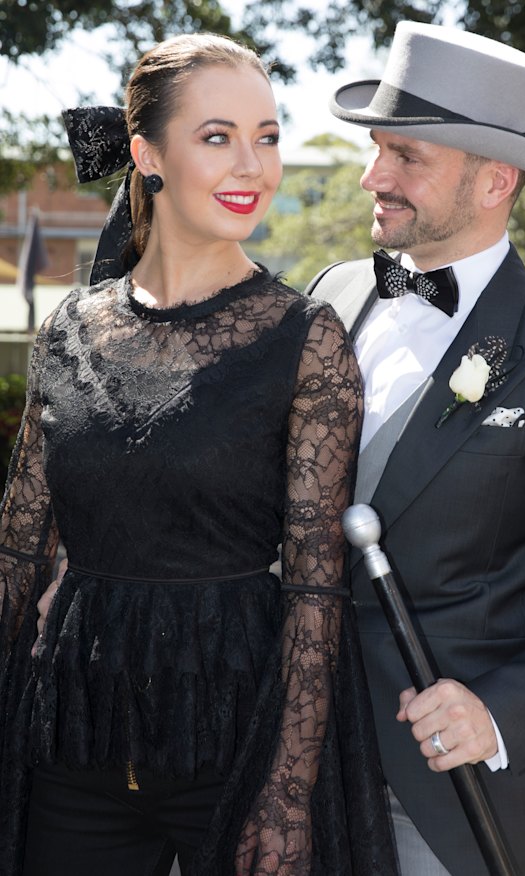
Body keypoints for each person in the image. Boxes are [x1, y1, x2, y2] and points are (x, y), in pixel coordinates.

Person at [0, 33, 398, 876]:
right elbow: (17, 548)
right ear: (147, 155)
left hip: (236, 742)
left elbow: (317, 583)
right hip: (76, 730)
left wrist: (289, 793)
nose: (251, 164)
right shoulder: (69, 330)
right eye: (217, 137)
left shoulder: (306, 340)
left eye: (267, 135)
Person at [306, 20, 525, 876]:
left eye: (408, 157)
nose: (371, 177)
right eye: (377, 149)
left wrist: (495, 715)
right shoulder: (331, 292)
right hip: (287, 768)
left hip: (437, 793)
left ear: (497, 179)